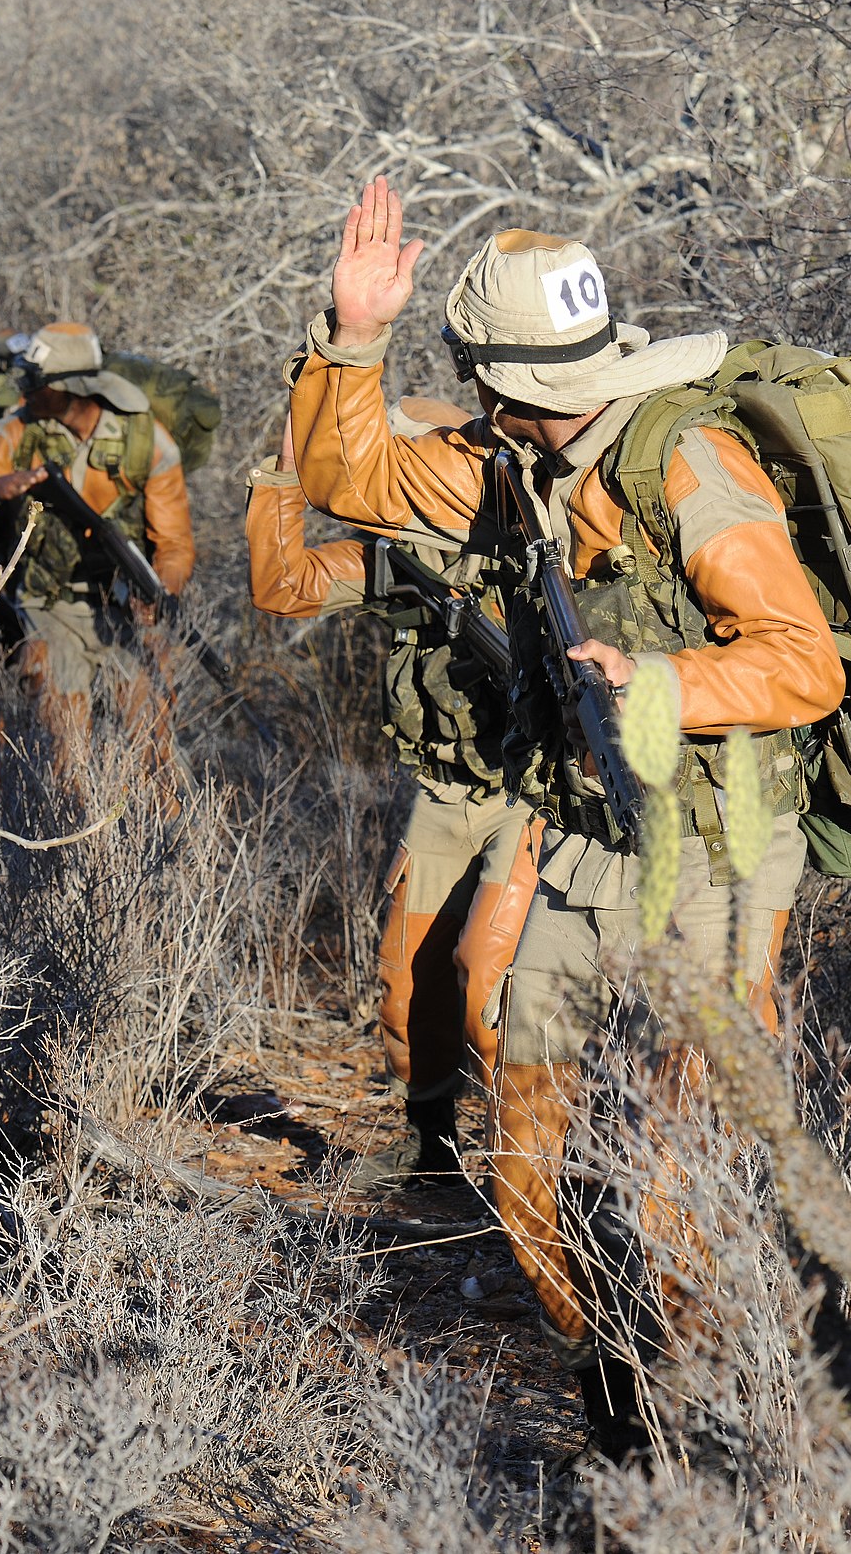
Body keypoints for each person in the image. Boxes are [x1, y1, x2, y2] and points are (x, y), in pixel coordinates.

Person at [289, 178, 845, 1462]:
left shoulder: (684, 460)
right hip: (592, 842)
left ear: (486, 372)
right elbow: (345, 475)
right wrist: (353, 337)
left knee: (685, 1166)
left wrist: (665, 684)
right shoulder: (505, 463)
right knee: (524, 1162)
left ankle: (747, 1431)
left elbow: (800, 663)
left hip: (711, 846)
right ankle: (628, 1417)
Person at [249, 415, 541, 1187]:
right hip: (444, 789)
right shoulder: (402, 556)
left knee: (489, 976)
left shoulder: (534, 538)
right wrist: (283, 475)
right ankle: (432, 1147)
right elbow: (284, 585)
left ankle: (534, 1170)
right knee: (404, 977)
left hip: (531, 792)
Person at [0, 323, 195, 780]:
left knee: (151, 740)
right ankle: (74, 839)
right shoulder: (19, 431)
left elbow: (174, 543)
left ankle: (172, 840)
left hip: (124, 606)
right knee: (63, 742)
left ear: (72, 388)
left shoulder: (146, 441)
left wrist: (159, 590)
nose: (25, 391)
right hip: (50, 601)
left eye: (36, 382)